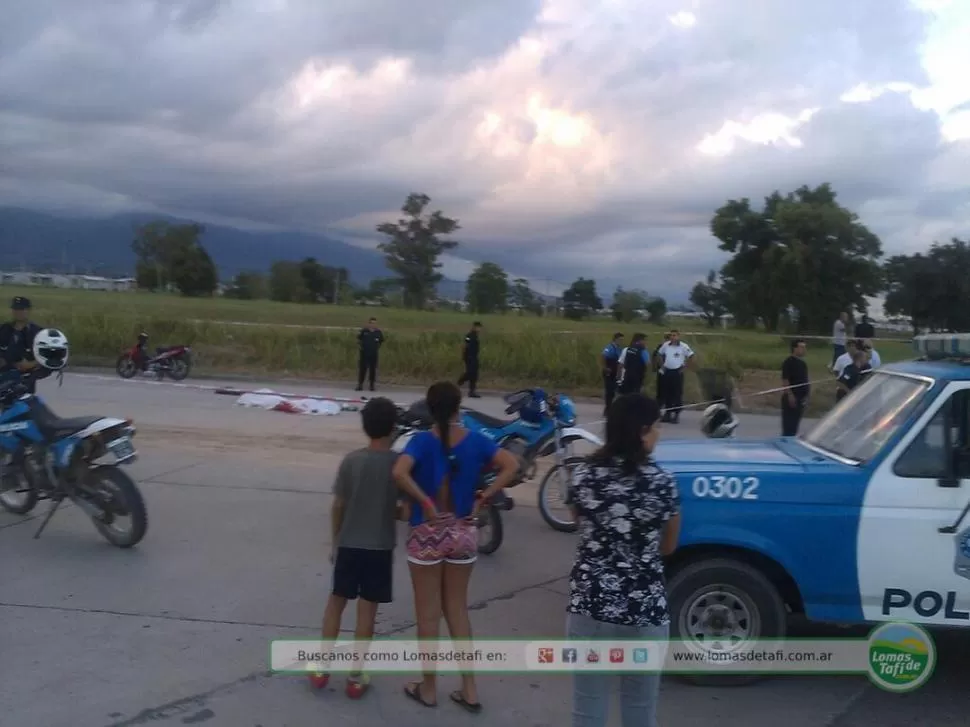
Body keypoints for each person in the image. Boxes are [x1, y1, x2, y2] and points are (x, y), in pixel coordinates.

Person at [392, 381, 519, 712]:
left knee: (427, 614)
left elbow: (399, 472)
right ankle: (470, 689)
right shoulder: (476, 441)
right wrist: (487, 496)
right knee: (458, 610)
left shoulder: (421, 442)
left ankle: (429, 688)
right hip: (463, 532)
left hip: (427, 534)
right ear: (458, 407)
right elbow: (512, 465)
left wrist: (425, 501)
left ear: (429, 409)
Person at [566, 393, 681, 727]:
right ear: (643, 430)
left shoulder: (584, 475)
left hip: (590, 606)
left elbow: (578, 522)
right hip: (644, 611)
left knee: (587, 707)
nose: (659, 433)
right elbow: (669, 546)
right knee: (640, 709)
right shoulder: (662, 483)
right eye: (657, 427)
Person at [308, 398, 403, 698]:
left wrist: (335, 540)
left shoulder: (351, 461)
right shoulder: (398, 465)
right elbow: (401, 510)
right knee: (367, 613)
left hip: (349, 544)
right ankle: (356, 675)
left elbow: (338, 504)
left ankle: (322, 666)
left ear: (365, 427)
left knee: (336, 602)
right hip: (380, 548)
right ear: (393, 427)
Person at [0, 297, 43, 393]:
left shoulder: (38, 332)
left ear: (28, 310)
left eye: (22, 309)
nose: (18, 312)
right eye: (16, 309)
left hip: (25, 381)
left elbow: (48, 357)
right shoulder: (4, 329)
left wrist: (32, 364)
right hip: (3, 379)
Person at [657, 330, 694, 424]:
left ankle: (676, 414)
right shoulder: (666, 345)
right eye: (671, 335)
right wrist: (662, 365)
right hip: (667, 371)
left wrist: (685, 367)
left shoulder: (683, 346)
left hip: (677, 372)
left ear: (678, 336)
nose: (672, 337)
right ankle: (668, 413)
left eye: (674, 335)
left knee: (677, 393)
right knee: (667, 392)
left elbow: (691, 356)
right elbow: (659, 354)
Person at [781, 339, 809, 436]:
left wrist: (806, 396)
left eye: (805, 347)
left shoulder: (803, 364)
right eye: (801, 347)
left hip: (800, 398)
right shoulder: (789, 362)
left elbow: (805, 381)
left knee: (794, 428)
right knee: (788, 427)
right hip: (791, 397)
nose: (804, 350)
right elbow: (785, 380)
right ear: (794, 348)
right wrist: (789, 395)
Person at [356, 317, 385, 392]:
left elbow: (381, 341)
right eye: (371, 323)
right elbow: (358, 339)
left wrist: (376, 348)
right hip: (364, 354)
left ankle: (372, 385)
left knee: (372, 370)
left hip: (373, 354)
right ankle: (360, 385)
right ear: (369, 324)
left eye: (374, 323)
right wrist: (360, 348)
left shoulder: (378, 332)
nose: (373, 325)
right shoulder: (364, 331)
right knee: (363, 369)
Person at [600, 333, 625, 415]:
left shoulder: (619, 348)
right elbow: (603, 355)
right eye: (620, 340)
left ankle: (611, 408)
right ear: (615, 339)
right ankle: (607, 409)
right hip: (609, 371)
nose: (621, 341)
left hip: (615, 371)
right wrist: (605, 367)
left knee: (614, 391)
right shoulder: (610, 347)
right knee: (609, 391)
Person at [457, 322, 482, 398]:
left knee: (474, 374)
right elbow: (465, 345)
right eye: (477, 327)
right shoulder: (469, 335)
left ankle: (472, 391)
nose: (479, 329)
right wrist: (464, 356)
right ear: (474, 327)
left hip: (474, 357)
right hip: (469, 357)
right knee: (470, 373)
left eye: (479, 327)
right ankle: (458, 383)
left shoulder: (476, 336)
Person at [652, 332, 671, 403]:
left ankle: (667, 402)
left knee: (669, 388)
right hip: (662, 370)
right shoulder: (660, 347)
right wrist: (654, 368)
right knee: (661, 387)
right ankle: (660, 401)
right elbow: (654, 356)